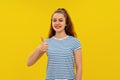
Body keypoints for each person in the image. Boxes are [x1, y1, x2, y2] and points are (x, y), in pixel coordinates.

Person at [27, 8, 82, 80]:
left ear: (66, 23)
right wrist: (39, 49)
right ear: (52, 23)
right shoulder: (46, 43)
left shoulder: (75, 42)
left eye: (61, 20)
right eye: (54, 20)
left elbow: (79, 68)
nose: (57, 23)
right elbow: (29, 63)